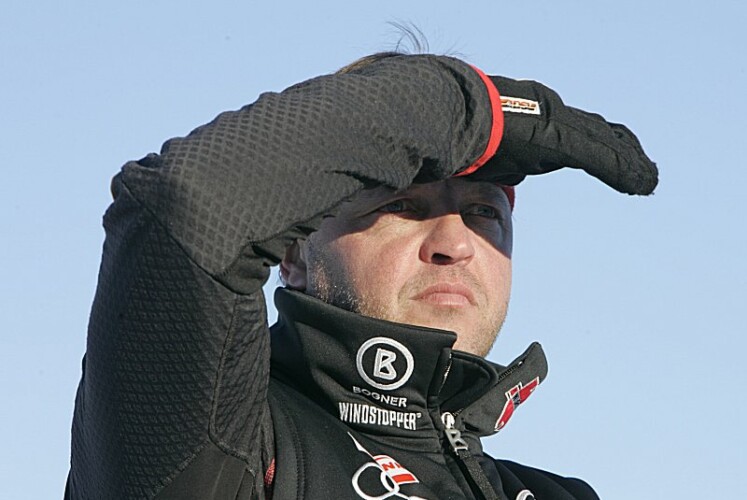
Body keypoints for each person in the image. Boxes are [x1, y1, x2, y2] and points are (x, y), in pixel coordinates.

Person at [65, 51, 657, 500]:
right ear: (293, 254)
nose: (455, 245)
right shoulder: (223, 440)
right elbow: (185, 207)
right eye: (401, 206)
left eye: (483, 213)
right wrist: (469, 107)